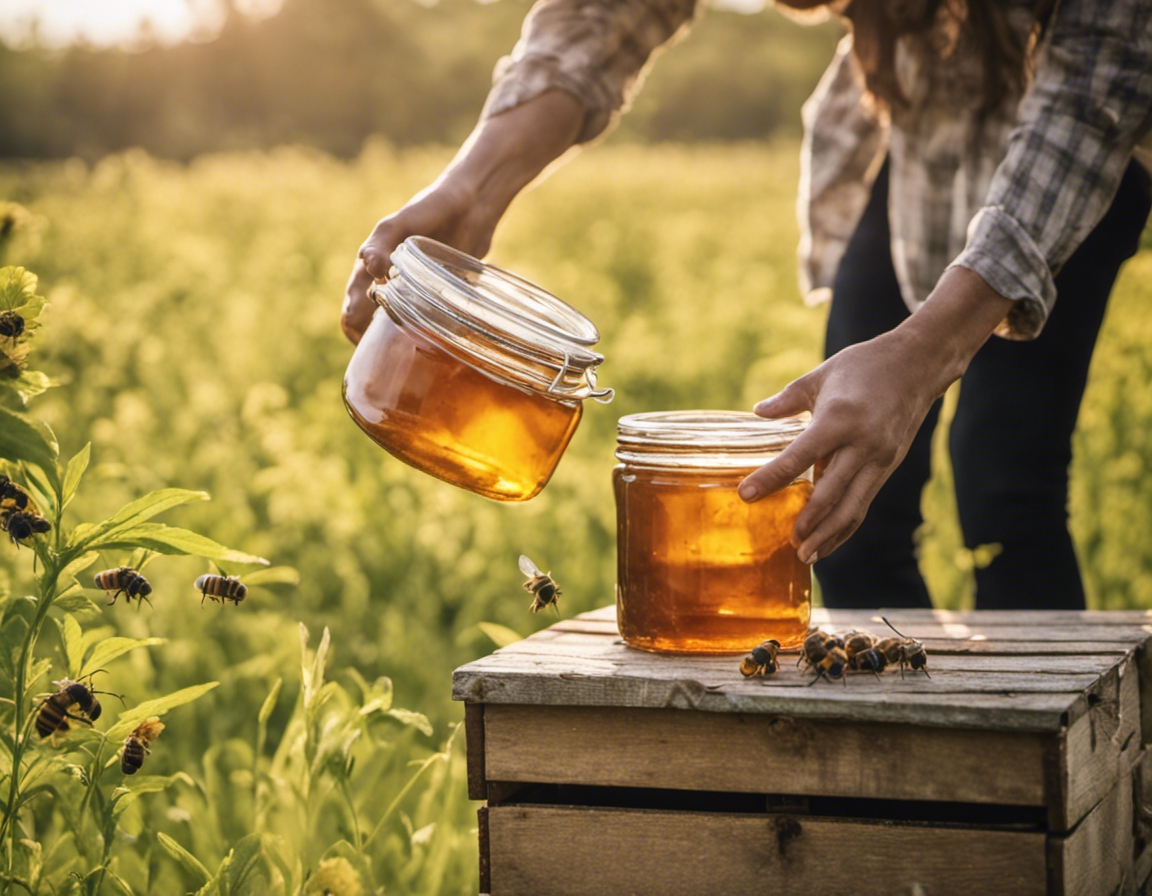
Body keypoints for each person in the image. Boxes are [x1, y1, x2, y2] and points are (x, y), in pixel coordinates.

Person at [343, 0, 1152, 610]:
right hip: (914, 115)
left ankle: (1046, 791)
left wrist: (921, 358)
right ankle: (911, 764)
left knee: (1005, 484)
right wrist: (473, 186)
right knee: (838, 510)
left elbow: (1096, 89)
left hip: (1070, 154)